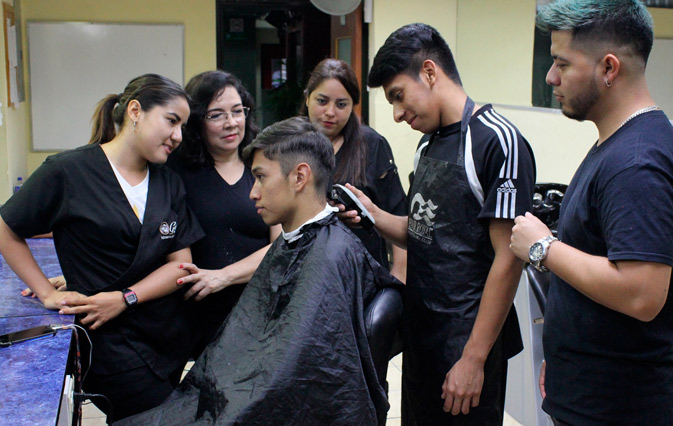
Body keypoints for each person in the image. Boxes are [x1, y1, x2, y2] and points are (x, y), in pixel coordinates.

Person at [117, 116, 402, 426]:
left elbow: (285, 384)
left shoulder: (329, 256)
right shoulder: (300, 241)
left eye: (261, 177)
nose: (253, 193)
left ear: (299, 177)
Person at [508, 1, 673, 425]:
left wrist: (541, 247)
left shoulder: (638, 162)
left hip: (617, 408)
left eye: (562, 63)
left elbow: (641, 293)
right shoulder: (618, 145)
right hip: (591, 390)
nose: (551, 77)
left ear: (609, 68)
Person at [345, 23, 536, 425]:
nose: (397, 115)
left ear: (430, 72)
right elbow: (423, 234)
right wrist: (374, 215)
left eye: (398, 97)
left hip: (467, 343)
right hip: (422, 337)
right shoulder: (426, 145)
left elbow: (509, 259)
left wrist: (473, 359)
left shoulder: (497, 142)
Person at [0, 74, 205, 421]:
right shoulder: (67, 172)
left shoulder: (168, 182)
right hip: (110, 344)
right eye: (172, 121)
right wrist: (45, 293)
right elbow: (6, 229)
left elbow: (181, 266)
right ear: (135, 111)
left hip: (168, 337)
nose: (178, 136)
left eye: (182, 126)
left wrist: (126, 297)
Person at [168, 70, 281, 356]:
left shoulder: (265, 165)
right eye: (216, 115)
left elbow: (281, 245)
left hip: (255, 310)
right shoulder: (174, 172)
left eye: (237, 111)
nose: (231, 123)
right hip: (192, 316)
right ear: (196, 121)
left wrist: (223, 276)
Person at [302, 58, 407, 281]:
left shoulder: (372, 145)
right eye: (322, 101)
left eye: (341, 104)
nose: (330, 112)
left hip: (365, 277)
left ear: (352, 106)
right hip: (308, 277)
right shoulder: (289, 146)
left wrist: (399, 277)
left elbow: (398, 212)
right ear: (307, 98)